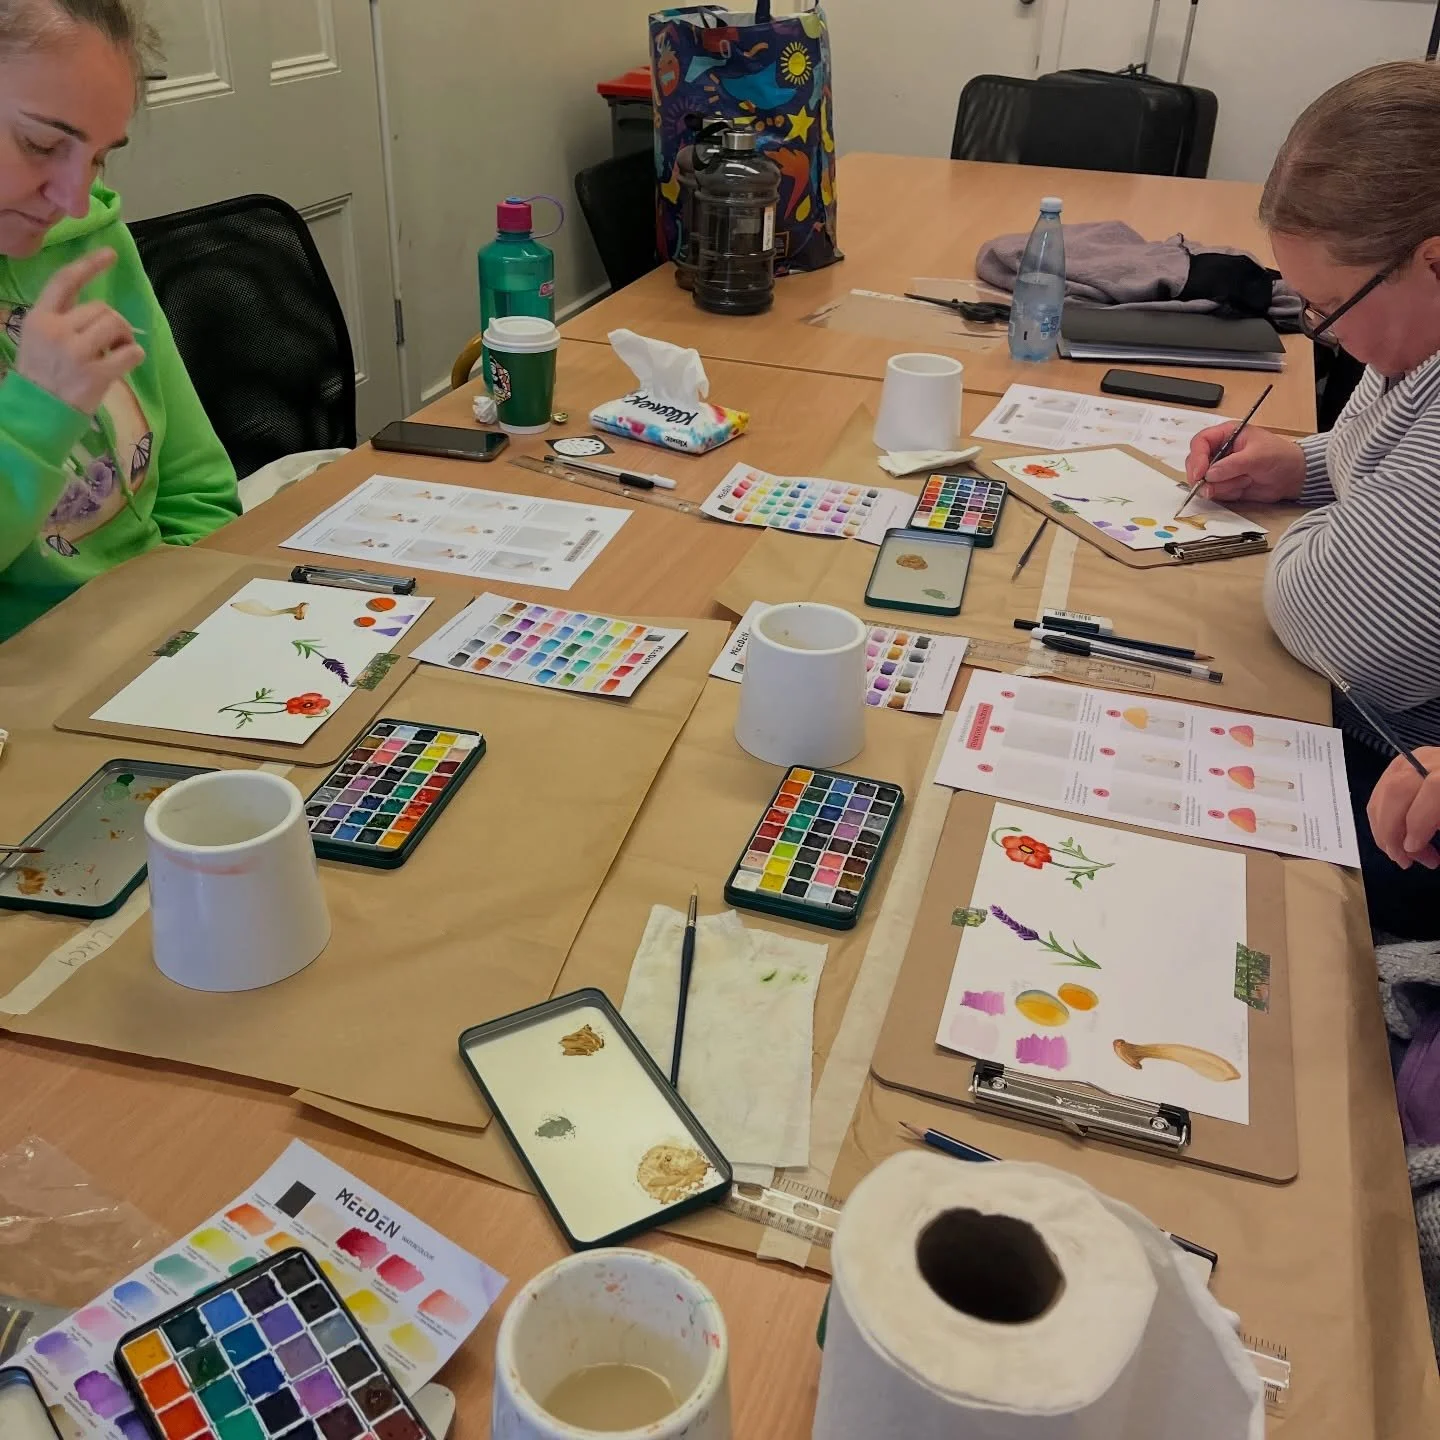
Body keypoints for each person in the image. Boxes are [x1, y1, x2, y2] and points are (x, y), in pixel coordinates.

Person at [1184, 60, 1440, 942]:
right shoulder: (1417, 341)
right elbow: (1389, 457)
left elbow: (1331, 614)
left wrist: (1332, 525)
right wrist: (1305, 464)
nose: (1319, 334)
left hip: (1406, 788)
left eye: (1330, 305)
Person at [0, 0, 239, 643]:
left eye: (100, 157)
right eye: (41, 144)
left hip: (155, 636)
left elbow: (197, 488)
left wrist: (190, 621)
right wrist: (34, 418)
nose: (75, 199)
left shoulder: (92, 242)